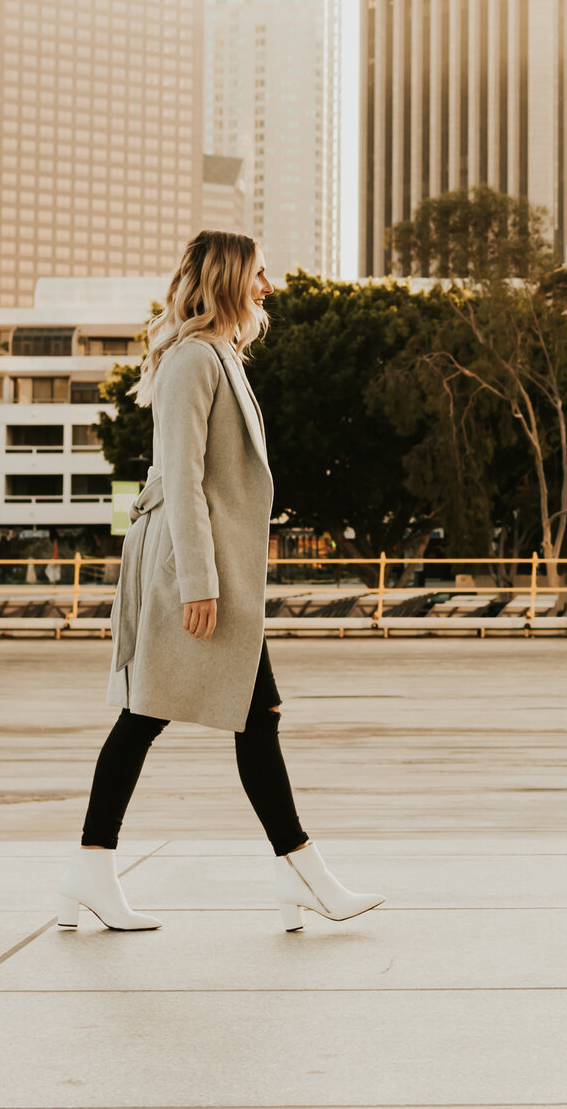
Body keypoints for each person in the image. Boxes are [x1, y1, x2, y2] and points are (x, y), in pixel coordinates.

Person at [52, 230, 384, 934]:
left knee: (247, 717)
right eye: (260, 273)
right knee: (149, 714)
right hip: (189, 568)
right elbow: (181, 477)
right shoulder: (193, 360)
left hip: (213, 568)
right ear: (231, 278)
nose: (268, 286)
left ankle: (293, 872)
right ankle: (287, 872)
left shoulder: (218, 355)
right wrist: (200, 581)